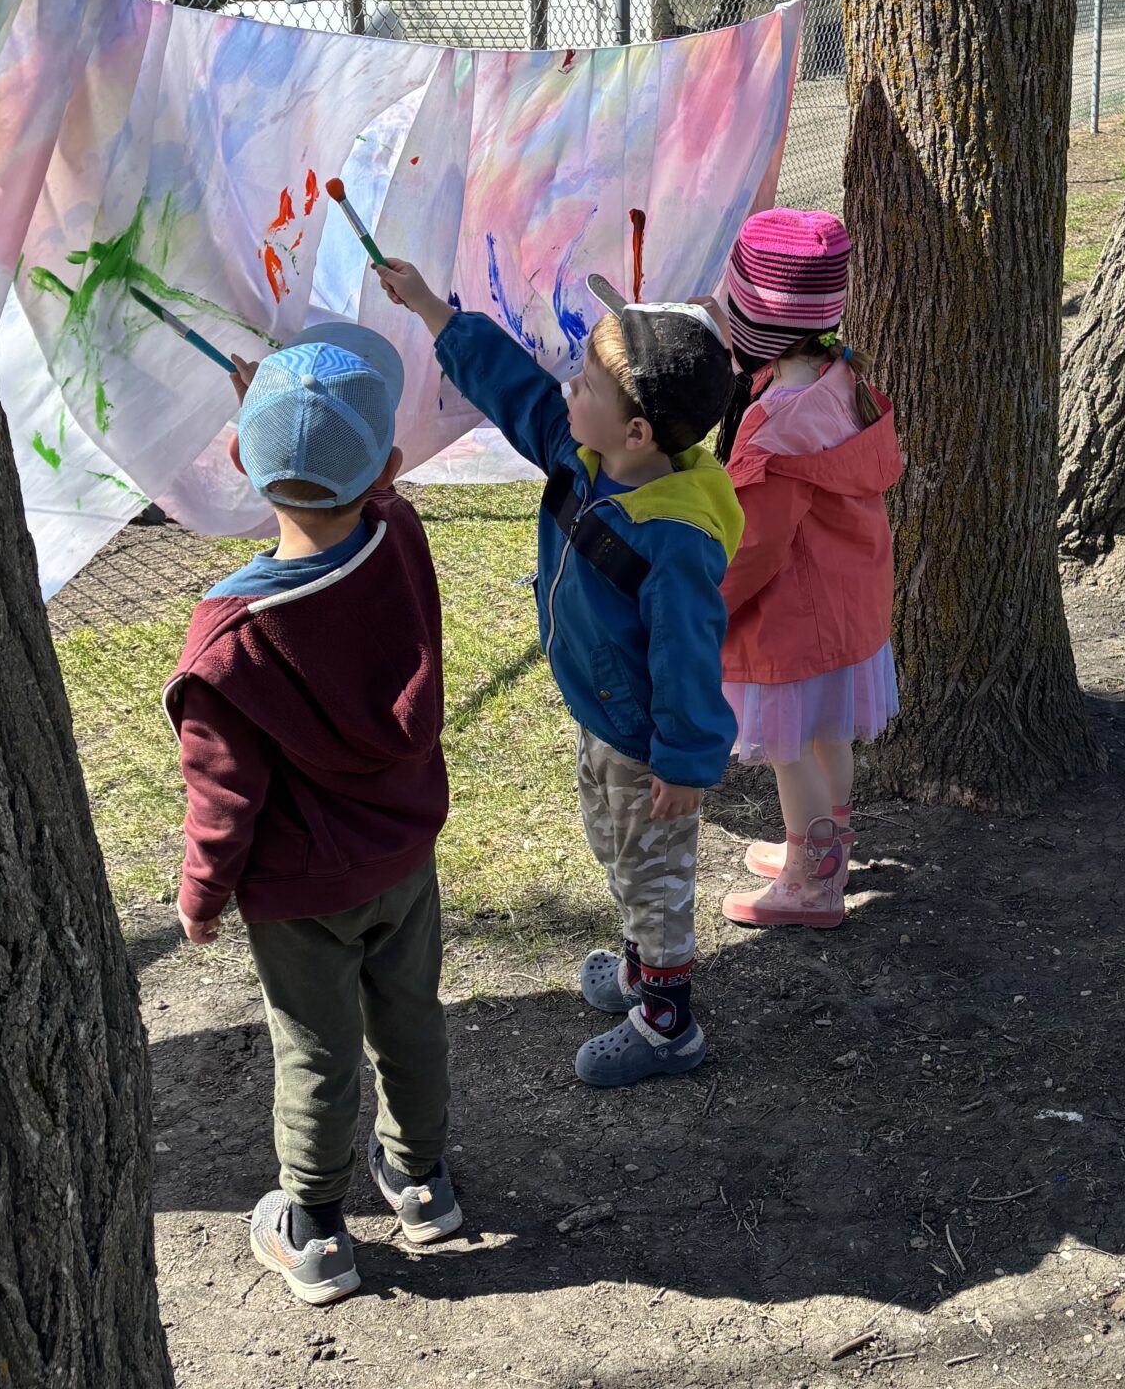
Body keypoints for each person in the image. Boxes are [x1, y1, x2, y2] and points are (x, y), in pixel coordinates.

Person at [375, 258, 740, 1087]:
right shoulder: (585, 456)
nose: (567, 389)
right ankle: (642, 969)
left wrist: (685, 762)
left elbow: (688, 656)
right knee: (618, 851)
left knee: (653, 872)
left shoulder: (674, 537)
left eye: (585, 385)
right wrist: (432, 309)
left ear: (637, 432)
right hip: (602, 714)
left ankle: (668, 1023)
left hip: (646, 743)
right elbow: (515, 392)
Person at [166, 323, 457, 1305]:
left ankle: (317, 1229)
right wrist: (295, 416)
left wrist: (202, 893)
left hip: (300, 896)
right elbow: (372, 490)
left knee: (317, 1052)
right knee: (409, 1018)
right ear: (389, 468)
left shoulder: (229, 640)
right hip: (404, 858)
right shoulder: (399, 540)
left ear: (239, 460)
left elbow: (222, 793)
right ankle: (422, 1182)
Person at [713, 209, 901, 929]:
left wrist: (710, 604)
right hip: (848, 606)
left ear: (752, 322)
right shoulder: (841, 376)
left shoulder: (775, 424)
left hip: (793, 620)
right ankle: (827, 840)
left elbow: (754, 546)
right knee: (829, 736)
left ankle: (812, 879)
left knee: (790, 753)